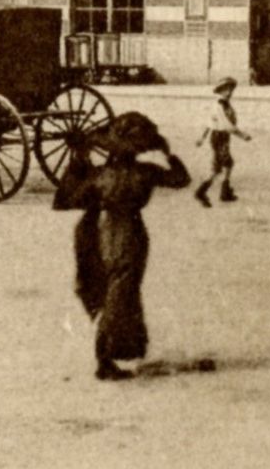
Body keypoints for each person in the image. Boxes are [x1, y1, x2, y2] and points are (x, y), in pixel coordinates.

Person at [52, 111, 192, 381]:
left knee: (113, 293)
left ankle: (107, 357)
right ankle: (106, 359)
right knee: (123, 293)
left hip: (104, 232)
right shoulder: (146, 172)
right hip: (132, 234)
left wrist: (79, 163)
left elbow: (66, 200)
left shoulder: (100, 176)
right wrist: (168, 155)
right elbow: (180, 179)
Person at [194, 76, 251, 207]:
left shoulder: (224, 104)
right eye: (226, 89)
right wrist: (243, 135)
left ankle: (220, 191)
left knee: (223, 166)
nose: (230, 92)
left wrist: (202, 138)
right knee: (221, 166)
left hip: (221, 137)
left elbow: (209, 122)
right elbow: (226, 125)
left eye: (231, 89)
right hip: (219, 137)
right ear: (220, 90)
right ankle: (207, 191)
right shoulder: (219, 105)